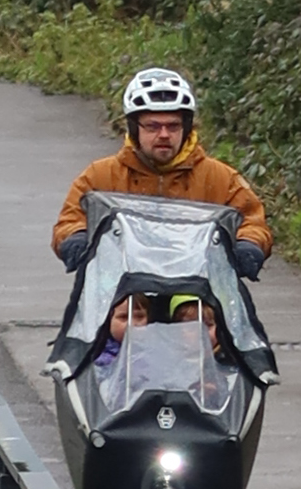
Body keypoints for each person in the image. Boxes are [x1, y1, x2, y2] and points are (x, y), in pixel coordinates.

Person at [50, 66, 276, 339]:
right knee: (124, 315)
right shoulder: (100, 175)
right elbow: (70, 219)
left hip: (196, 285)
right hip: (126, 285)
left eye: (173, 126)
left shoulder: (220, 177)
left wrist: (249, 244)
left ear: (187, 127)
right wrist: (74, 239)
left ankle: (215, 379)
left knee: (200, 318)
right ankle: (103, 374)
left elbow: (252, 220)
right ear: (134, 128)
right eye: (153, 126)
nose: (164, 134)